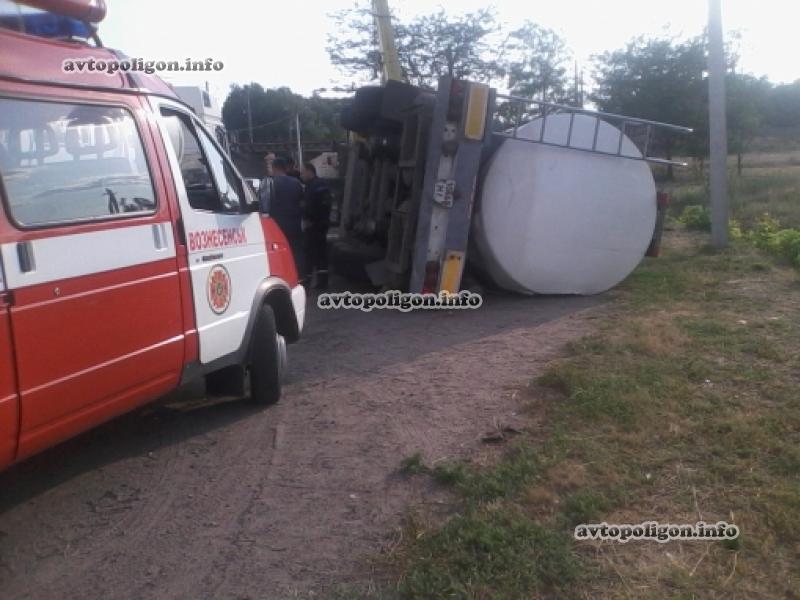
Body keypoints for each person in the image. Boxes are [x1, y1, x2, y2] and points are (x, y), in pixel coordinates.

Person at [261, 155, 305, 280]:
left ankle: (284, 278)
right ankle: (301, 278)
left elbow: (264, 206)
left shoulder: (269, 183)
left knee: (279, 253)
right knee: (297, 251)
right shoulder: (297, 183)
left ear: (275, 168)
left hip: (276, 225)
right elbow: (302, 203)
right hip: (294, 223)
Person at [300, 162, 332, 290]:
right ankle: (319, 281)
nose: (302, 175)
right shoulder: (314, 185)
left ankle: (311, 281)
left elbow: (316, 206)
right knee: (318, 253)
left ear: (309, 171)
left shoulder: (317, 186)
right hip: (318, 224)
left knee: (313, 253)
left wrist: (310, 218)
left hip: (316, 225)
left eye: (303, 172)